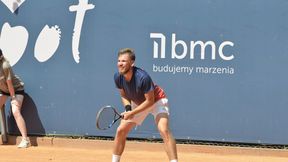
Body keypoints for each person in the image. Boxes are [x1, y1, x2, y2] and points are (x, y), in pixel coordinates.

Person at [112, 48, 178, 162]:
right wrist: (128, 109)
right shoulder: (118, 77)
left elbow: (150, 101)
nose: (120, 64)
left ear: (132, 63)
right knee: (120, 130)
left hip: (157, 100)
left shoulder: (143, 77)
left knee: (164, 130)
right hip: (138, 103)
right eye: (119, 61)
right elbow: (123, 94)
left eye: (124, 61)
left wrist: (132, 113)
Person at [0, 49, 29, 148]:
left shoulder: (5, 65)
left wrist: (13, 98)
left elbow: (10, 84)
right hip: (4, 90)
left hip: (16, 89)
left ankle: (25, 140)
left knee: (15, 111)